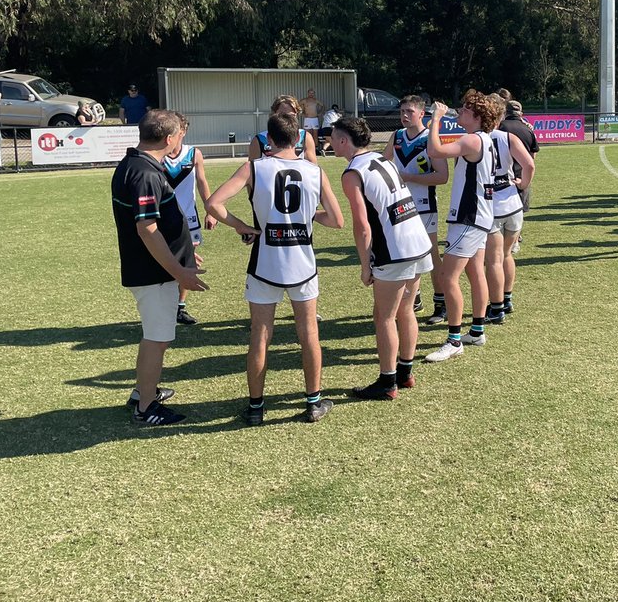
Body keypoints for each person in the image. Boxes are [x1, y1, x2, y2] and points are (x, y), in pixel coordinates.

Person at [207, 113, 344, 425]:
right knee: (309, 333)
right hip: (302, 263)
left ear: (267, 139)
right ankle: (313, 403)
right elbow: (337, 220)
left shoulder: (254, 167)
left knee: (260, 334)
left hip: (265, 262)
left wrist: (242, 226)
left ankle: (256, 407)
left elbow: (214, 203)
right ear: (298, 140)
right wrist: (308, 216)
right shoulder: (315, 171)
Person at [111, 109, 207, 426]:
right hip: (153, 274)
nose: (182, 139)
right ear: (168, 138)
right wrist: (179, 271)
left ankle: (144, 391)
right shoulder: (145, 173)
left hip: (155, 269)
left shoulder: (138, 164)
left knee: (156, 336)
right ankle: (145, 407)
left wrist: (184, 253)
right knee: (157, 338)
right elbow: (147, 229)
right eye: (180, 134)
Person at [333, 116, 433, 397]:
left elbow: (362, 225)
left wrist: (365, 265)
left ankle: (388, 382)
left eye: (333, 138)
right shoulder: (382, 159)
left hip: (395, 248)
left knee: (384, 317)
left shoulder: (352, 173)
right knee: (406, 310)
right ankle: (405, 372)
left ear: (344, 141)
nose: (329, 142)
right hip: (417, 240)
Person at [424, 92, 503, 361]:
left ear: (478, 117)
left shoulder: (472, 139)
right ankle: (477, 330)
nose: (459, 112)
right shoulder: (485, 139)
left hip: (468, 217)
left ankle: (454, 339)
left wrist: (435, 118)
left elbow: (434, 151)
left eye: (466, 110)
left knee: (448, 277)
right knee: (475, 272)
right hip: (480, 215)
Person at [385, 95, 449, 323]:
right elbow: (383, 163)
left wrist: (409, 177)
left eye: (409, 111)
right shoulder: (397, 136)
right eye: (402, 111)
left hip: (424, 206)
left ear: (422, 114)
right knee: (403, 253)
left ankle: (441, 303)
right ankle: (415, 297)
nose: (404, 115)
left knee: (431, 255)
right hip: (399, 206)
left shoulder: (430, 138)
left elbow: (442, 176)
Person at [163, 114, 216, 325]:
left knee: (186, 262)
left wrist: (210, 210)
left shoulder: (193, 153)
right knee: (163, 260)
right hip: (162, 217)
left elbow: (202, 182)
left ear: (183, 131)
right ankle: (163, 306)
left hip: (188, 218)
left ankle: (179, 307)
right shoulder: (158, 154)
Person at [486, 103, 536, 323]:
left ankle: (496, 308)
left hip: (492, 205)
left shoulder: (475, 139)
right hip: (513, 203)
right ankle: (506, 299)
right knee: (506, 255)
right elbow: (529, 165)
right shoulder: (508, 137)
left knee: (493, 261)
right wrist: (522, 184)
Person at [500, 99, 540, 255]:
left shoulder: (500, 127)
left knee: (501, 209)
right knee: (519, 209)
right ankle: (515, 239)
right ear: (521, 113)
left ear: (505, 112)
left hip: (502, 174)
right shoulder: (528, 129)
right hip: (522, 173)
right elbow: (532, 156)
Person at [248, 95, 319, 164]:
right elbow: (252, 169)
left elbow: (313, 167)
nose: (287, 119)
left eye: (291, 115)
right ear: (273, 114)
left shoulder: (304, 137)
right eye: (282, 115)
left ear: (296, 115)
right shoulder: (260, 139)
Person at [300, 89, 325, 154]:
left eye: (312, 93)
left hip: (315, 119)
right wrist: (302, 113)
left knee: (315, 134)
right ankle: (307, 148)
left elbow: (323, 106)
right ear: (308, 93)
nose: (311, 94)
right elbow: (298, 106)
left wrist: (320, 113)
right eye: (310, 93)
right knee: (307, 134)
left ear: (314, 94)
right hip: (307, 119)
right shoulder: (304, 100)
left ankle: (316, 149)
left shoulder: (316, 100)